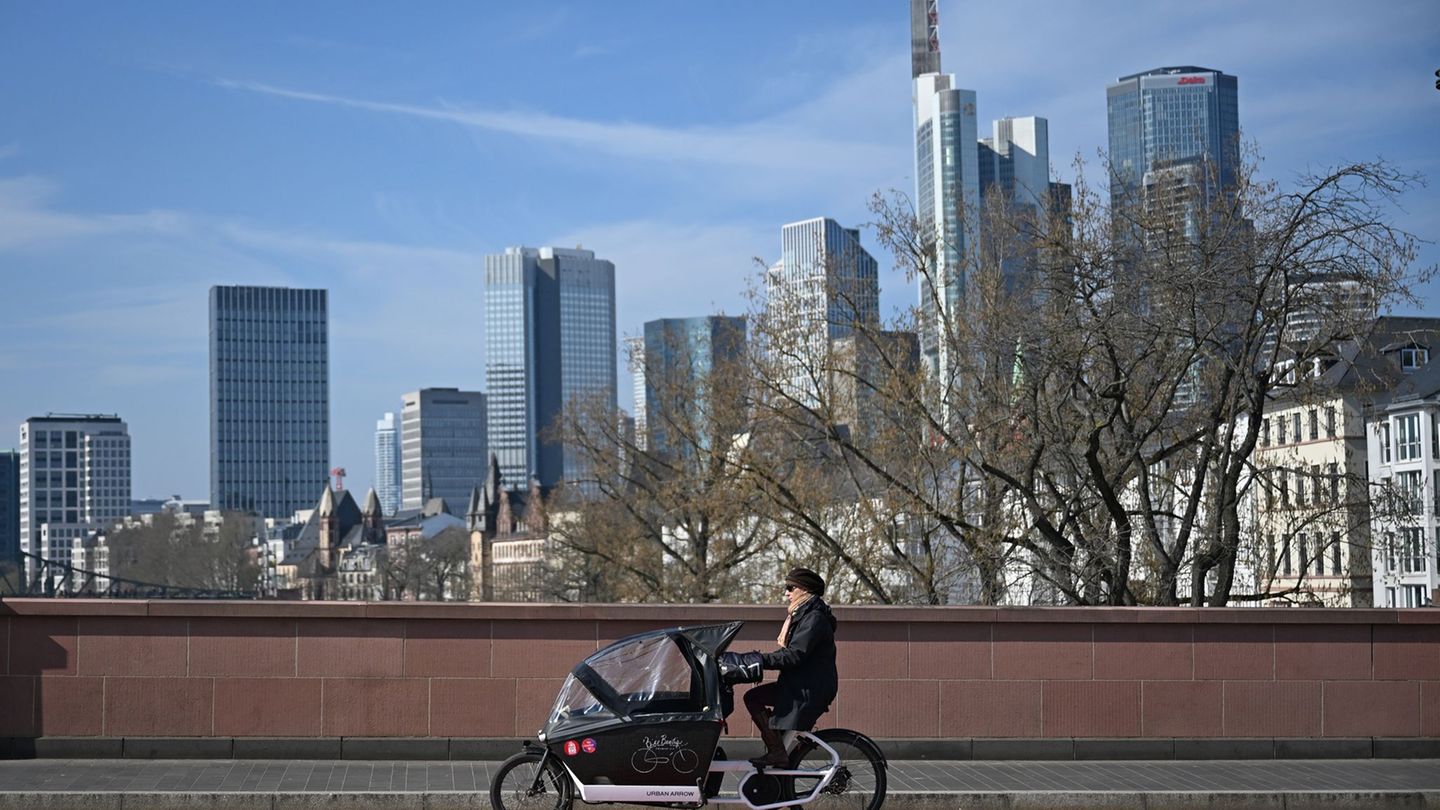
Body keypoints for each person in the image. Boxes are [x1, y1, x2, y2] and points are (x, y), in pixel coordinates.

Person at [742, 567, 837, 767]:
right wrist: (758, 660)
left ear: (804, 589)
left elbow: (794, 655)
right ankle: (777, 754)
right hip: (799, 685)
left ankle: (777, 751)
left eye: (790, 587)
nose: (786, 593)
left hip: (807, 689)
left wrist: (760, 660)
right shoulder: (804, 614)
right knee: (760, 706)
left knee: (753, 697)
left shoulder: (814, 618)